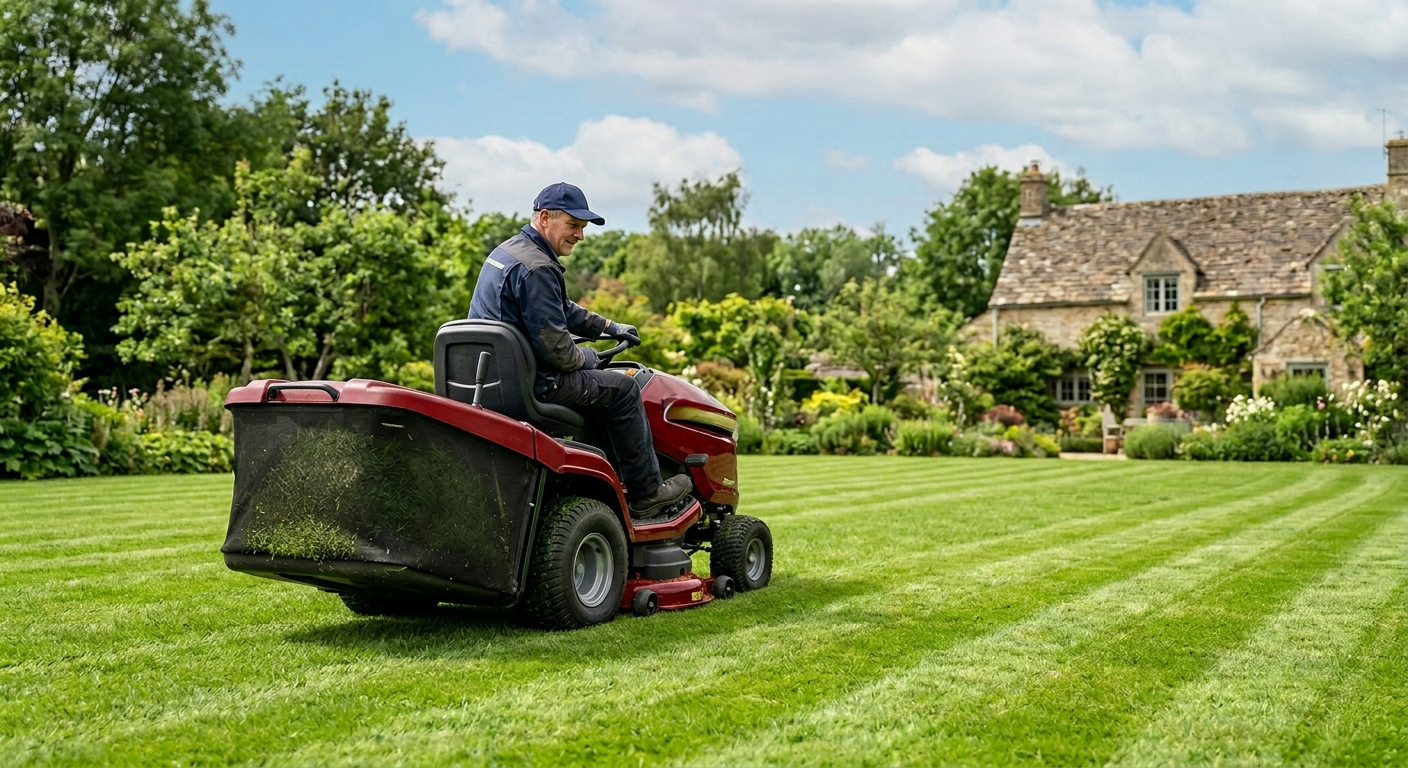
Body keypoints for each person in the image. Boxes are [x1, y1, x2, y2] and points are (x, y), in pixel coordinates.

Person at [468, 182, 691, 519]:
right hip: (535, 385)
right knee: (624, 388)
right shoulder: (539, 268)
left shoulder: (508, 254)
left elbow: (563, 310)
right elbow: (561, 355)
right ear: (545, 217)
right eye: (573, 225)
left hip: (493, 380)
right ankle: (647, 493)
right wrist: (593, 356)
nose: (580, 236)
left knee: (599, 382)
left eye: (582, 228)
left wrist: (608, 328)